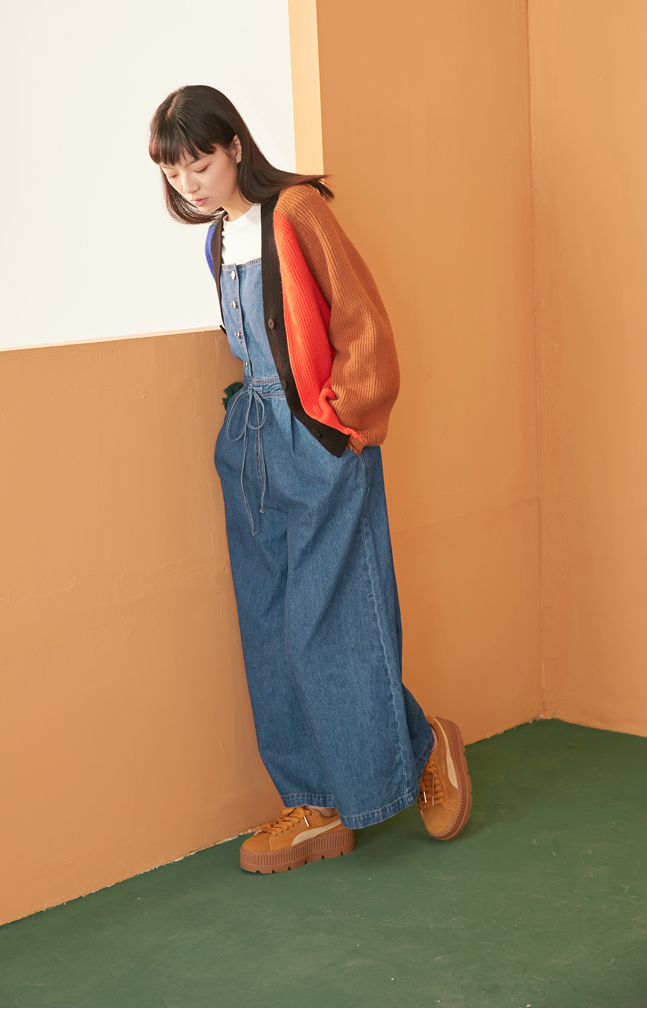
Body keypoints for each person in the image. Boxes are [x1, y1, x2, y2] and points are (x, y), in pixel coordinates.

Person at [149, 84, 472, 874]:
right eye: (173, 171)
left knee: (329, 621)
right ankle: (314, 803)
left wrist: (342, 421)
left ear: (235, 148)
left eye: (200, 163)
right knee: (269, 627)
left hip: (315, 435)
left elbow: (361, 320)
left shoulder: (295, 212)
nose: (190, 183)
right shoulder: (218, 242)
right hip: (251, 445)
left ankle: (420, 748)